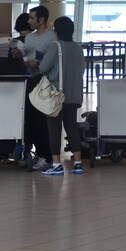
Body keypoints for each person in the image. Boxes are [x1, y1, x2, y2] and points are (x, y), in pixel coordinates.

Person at [35, 17, 86, 175]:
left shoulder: (55, 47)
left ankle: (56, 164)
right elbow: (82, 69)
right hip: (74, 94)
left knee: (54, 129)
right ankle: (78, 163)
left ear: (57, 31)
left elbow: (43, 68)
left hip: (57, 94)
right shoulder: (78, 48)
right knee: (72, 127)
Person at [20, 5, 56, 170]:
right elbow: (27, 58)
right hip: (30, 81)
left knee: (43, 120)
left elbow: (49, 59)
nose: (29, 21)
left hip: (45, 83)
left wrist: (38, 63)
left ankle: (46, 155)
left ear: (41, 20)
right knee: (31, 119)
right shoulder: (29, 39)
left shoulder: (51, 38)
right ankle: (38, 152)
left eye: (32, 18)